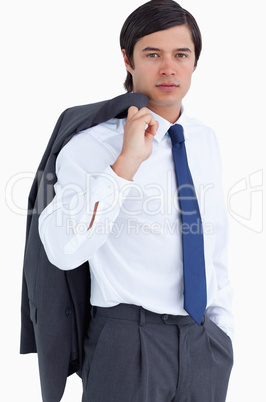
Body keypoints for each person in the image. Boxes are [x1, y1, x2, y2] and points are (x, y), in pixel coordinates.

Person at [34, 0, 234, 400]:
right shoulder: (91, 144)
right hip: (128, 344)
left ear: (195, 62)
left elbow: (214, 246)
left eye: (181, 54)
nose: (168, 68)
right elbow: (62, 251)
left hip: (202, 346)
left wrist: (221, 332)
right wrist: (124, 164)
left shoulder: (204, 138)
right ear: (127, 59)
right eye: (152, 54)